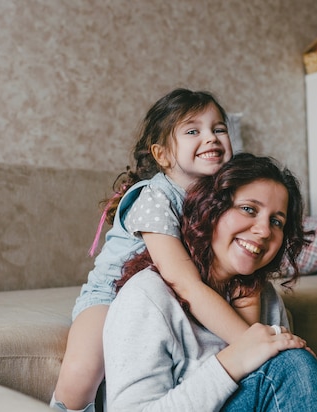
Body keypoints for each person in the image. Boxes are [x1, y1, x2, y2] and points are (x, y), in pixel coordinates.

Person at [52, 89, 264, 411]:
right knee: (83, 371)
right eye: (193, 131)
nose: (211, 138)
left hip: (163, 302)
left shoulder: (220, 200)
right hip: (112, 295)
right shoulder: (154, 197)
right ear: (163, 155)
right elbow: (183, 280)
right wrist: (250, 340)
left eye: (219, 128)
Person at [103, 153, 317, 411]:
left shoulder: (264, 296)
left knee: (292, 362)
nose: (263, 230)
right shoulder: (147, 296)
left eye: (276, 221)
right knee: (292, 363)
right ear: (211, 208)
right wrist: (233, 361)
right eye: (248, 209)